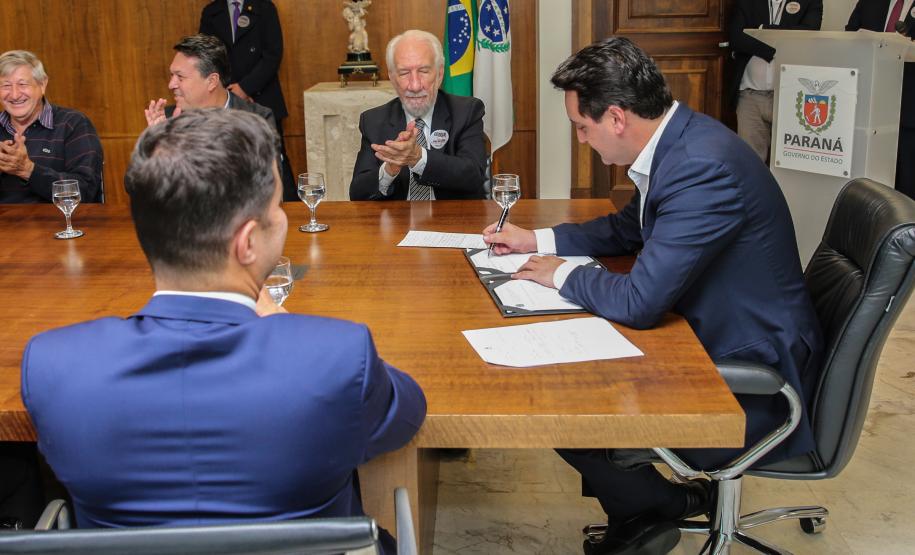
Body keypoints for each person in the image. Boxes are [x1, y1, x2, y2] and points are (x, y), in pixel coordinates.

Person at [21, 109, 426, 554]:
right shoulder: (337, 356)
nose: (283, 217)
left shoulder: (52, 365)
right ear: (247, 242)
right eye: (278, 206)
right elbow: (407, 415)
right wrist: (279, 321)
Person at [483, 38, 823, 555]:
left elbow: (640, 302)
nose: (580, 140)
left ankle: (659, 506)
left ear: (616, 118)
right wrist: (538, 240)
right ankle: (644, 512)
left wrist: (561, 275)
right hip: (715, 333)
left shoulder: (700, 167)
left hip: (752, 374)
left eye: (582, 127)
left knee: (561, 395)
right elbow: (629, 229)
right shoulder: (680, 141)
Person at [144, 34, 294, 197]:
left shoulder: (257, 119)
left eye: (180, 77)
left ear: (212, 81)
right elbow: (135, 186)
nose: (171, 84)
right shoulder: (168, 119)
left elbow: (267, 185)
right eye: (171, 75)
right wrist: (157, 148)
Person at [350, 29, 487, 201]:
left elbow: (474, 176)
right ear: (392, 78)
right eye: (404, 73)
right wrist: (389, 169)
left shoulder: (467, 111)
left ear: (439, 74)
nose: (414, 86)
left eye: (423, 71)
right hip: (397, 217)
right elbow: (358, 194)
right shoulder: (374, 121)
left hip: (452, 216)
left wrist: (419, 158)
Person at [199, 0, 297, 200]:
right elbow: (205, 58)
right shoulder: (211, 11)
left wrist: (245, 88)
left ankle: (289, 209)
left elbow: (273, 54)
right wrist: (229, 91)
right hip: (225, 97)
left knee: (275, 159)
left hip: (262, 95)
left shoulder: (264, 7)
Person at [0, 50, 103, 204]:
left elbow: (86, 190)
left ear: (42, 84)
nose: (14, 95)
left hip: (58, 219)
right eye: (6, 85)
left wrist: (28, 170)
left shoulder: (73, 124)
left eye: (22, 84)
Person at [728, 0, 823, 161]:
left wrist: (763, 31)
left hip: (791, 99)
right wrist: (773, 49)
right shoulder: (747, 2)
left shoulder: (810, 2)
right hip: (750, 97)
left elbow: (807, 35)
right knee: (751, 162)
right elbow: (737, 38)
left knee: (790, 160)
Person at [847, 0, 915, 200]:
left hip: (909, 113)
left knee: (907, 186)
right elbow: (850, 36)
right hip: (868, 109)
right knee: (870, 187)